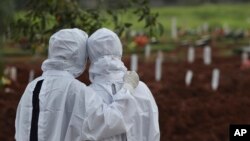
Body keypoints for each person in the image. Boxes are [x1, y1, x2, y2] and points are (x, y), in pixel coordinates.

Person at [15, 28, 140, 141]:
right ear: (78, 56)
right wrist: (127, 88)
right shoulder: (77, 90)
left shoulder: (31, 87)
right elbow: (112, 121)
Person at [87, 28, 160, 141]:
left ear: (90, 55)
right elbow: (153, 132)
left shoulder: (87, 96)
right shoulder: (142, 89)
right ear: (119, 49)